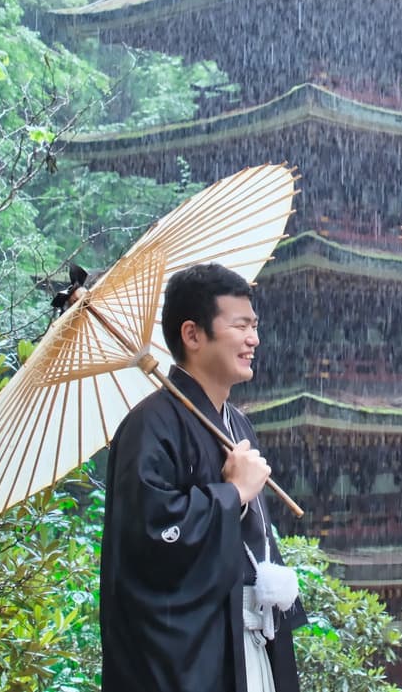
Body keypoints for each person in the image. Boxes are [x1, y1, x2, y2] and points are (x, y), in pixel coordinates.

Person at [98, 262, 304, 692]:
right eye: (240, 325)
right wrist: (232, 495)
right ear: (193, 335)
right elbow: (149, 541)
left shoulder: (237, 426)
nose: (254, 339)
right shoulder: (148, 428)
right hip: (195, 653)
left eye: (255, 325)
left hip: (254, 635)